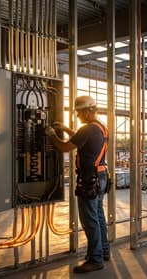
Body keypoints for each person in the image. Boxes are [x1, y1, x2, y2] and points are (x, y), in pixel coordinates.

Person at [45, 95, 110, 273]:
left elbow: (65, 147)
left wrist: (51, 135)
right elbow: (80, 139)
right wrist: (65, 128)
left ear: (89, 111)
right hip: (101, 177)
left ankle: (95, 259)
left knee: (90, 220)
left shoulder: (88, 128)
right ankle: (103, 251)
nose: (79, 116)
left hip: (89, 180)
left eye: (80, 112)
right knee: (98, 216)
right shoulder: (100, 127)